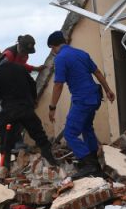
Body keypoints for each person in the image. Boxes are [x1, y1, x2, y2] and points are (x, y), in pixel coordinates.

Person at [47, 30, 115, 174]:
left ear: (53, 47)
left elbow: (58, 85)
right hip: (95, 97)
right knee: (86, 128)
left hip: (82, 99)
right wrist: (108, 90)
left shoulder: (60, 58)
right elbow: (97, 73)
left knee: (70, 133)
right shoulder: (81, 53)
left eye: (52, 49)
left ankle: (88, 164)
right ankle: (95, 162)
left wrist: (52, 107)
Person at [0, 48, 57, 169]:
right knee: (40, 136)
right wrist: (33, 99)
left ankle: (5, 168)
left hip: (9, 112)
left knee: (5, 140)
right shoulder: (19, 67)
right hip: (25, 109)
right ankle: (52, 162)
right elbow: (32, 84)